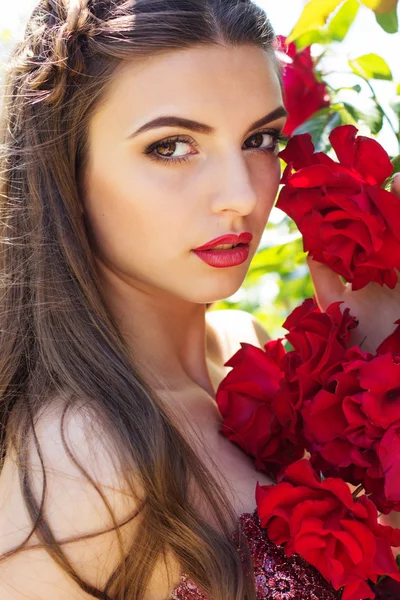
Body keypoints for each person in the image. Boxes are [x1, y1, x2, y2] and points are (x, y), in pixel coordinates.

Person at [0, 1, 398, 599]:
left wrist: (375, 364)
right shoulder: (78, 459)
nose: (240, 195)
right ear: (66, 171)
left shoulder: (253, 355)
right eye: (171, 146)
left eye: (260, 139)